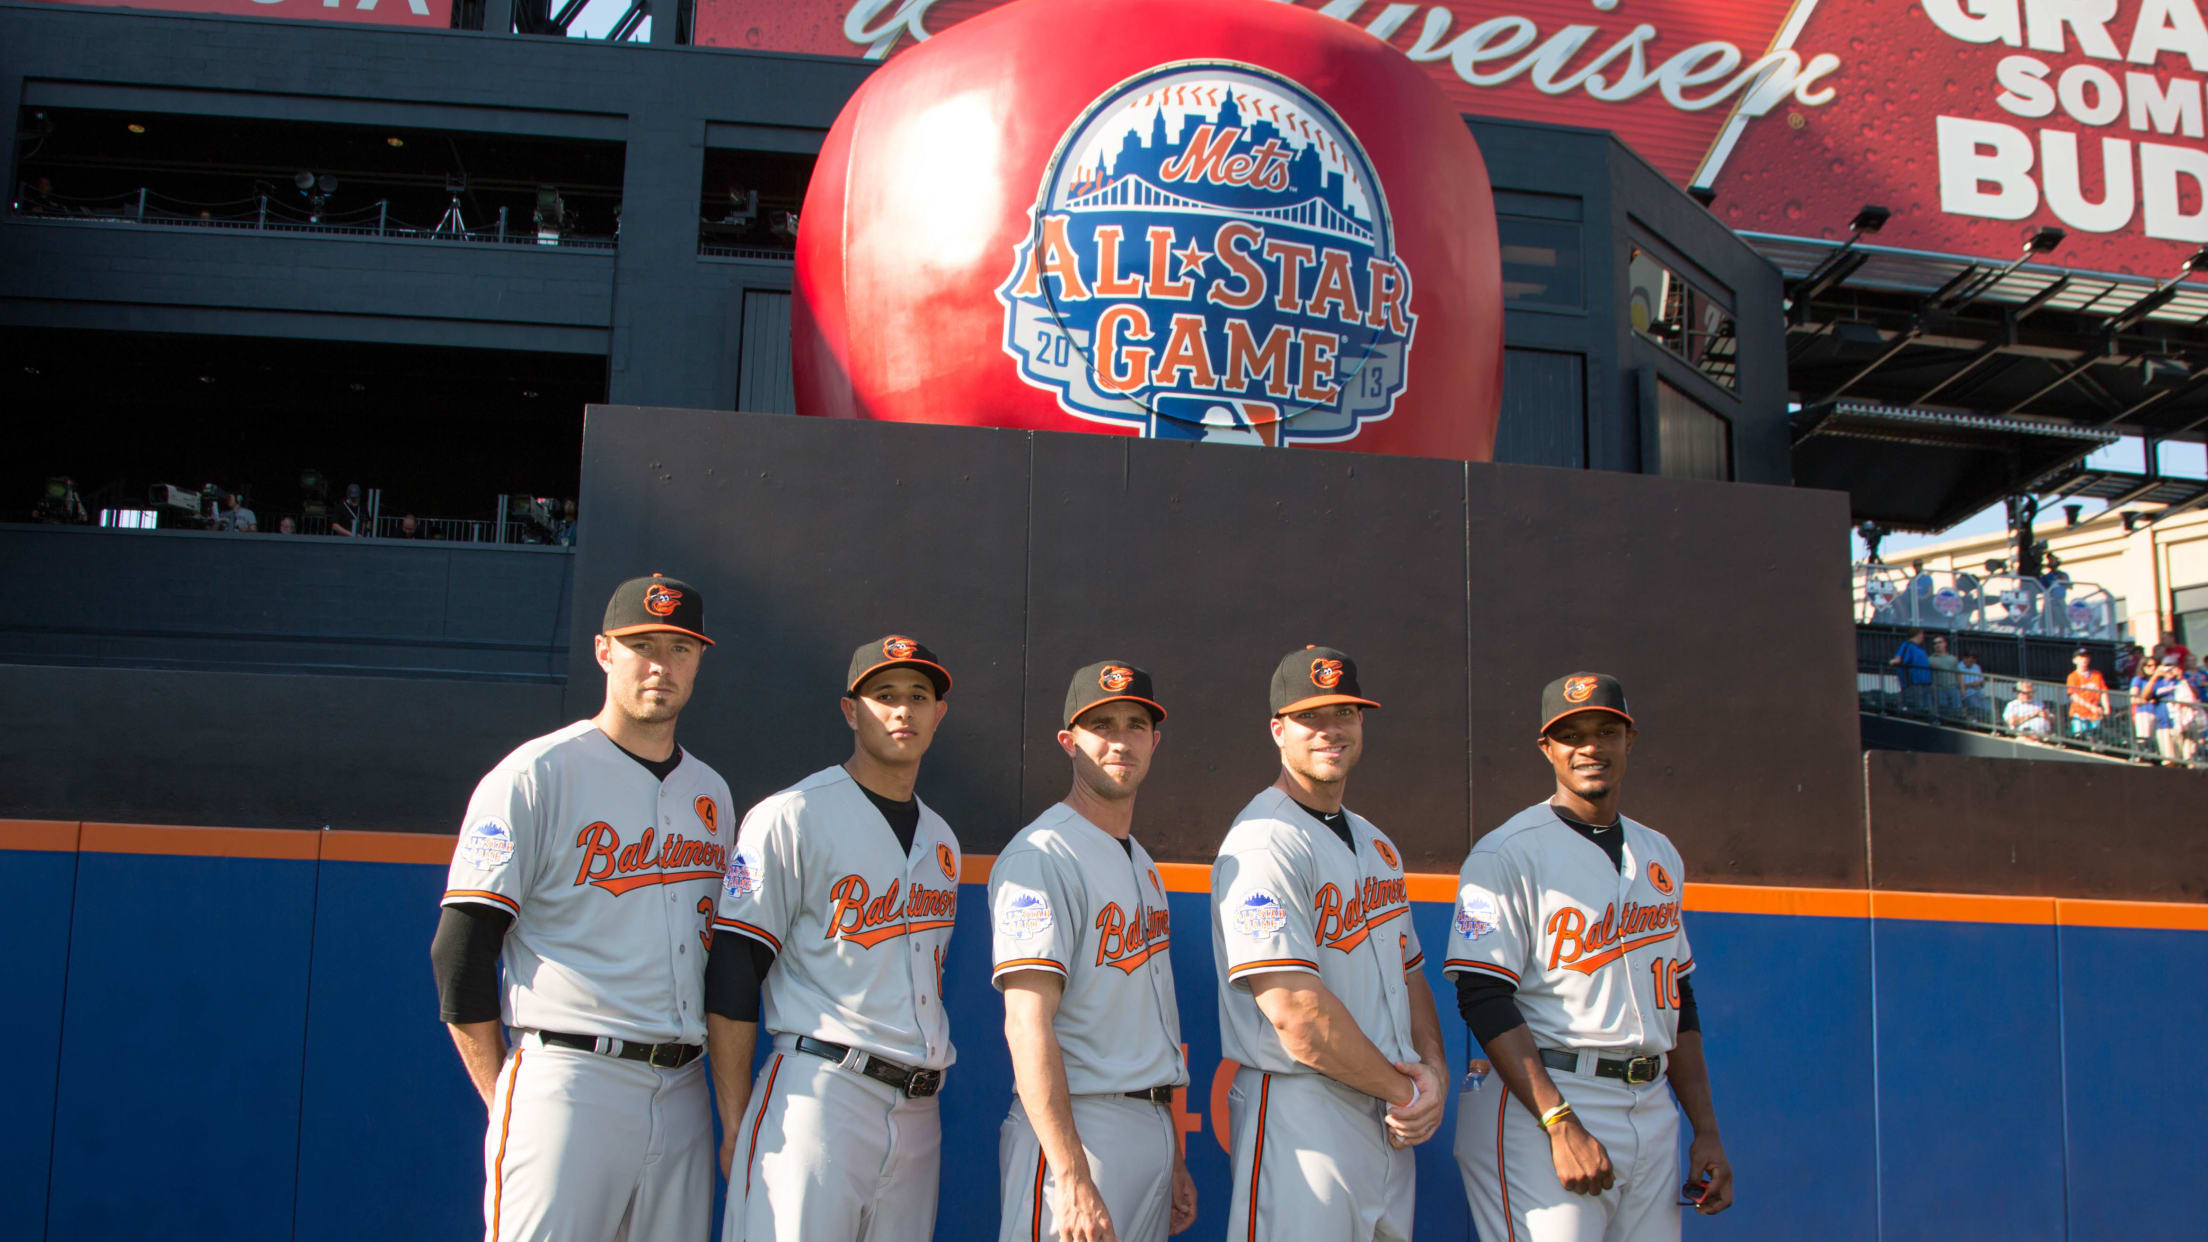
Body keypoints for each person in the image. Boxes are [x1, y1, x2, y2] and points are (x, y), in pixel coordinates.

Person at [431, 573, 728, 1242]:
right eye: (642, 645)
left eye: (681, 648)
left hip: (682, 1089)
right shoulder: (537, 774)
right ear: (604, 652)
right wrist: (503, 1088)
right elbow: (460, 950)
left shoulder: (712, 792)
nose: (661, 665)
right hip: (568, 1076)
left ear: (700, 660)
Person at [1449, 672, 1731, 1241]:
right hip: (1547, 1100)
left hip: (1651, 1105)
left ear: (1630, 741)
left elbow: (1678, 998)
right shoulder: (1507, 852)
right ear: (1547, 748)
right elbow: (1481, 994)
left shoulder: (1659, 853)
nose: (1590, 747)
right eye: (1572, 735)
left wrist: (1705, 1129)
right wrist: (1558, 1122)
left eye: (1606, 731)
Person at [708, 635, 960, 1242]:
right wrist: (737, 1122)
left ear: (938, 714)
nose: (902, 710)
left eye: (918, 697)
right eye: (883, 695)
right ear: (851, 710)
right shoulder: (792, 814)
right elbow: (734, 971)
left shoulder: (942, 839)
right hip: (820, 1096)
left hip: (920, 1109)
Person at [1209, 646, 1448, 1242]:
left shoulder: (1376, 843)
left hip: (1388, 1115)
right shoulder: (1265, 840)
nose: (1329, 730)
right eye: (1310, 717)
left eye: (1344, 712)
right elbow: (1295, 1015)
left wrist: (1435, 1074)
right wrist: (1406, 1091)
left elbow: (1410, 971)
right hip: (1304, 1111)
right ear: (1278, 730)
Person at [990, 661, 1196, 1242]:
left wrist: (1174, 1153)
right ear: (1069, 742)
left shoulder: (1144, 864)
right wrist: (1071, 1174)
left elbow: (1148, 1026)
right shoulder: (1042, 854)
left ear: (1154, 741)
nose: (1120, 740)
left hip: (1149, 1125)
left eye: (1135, 724)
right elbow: (1027, 1025)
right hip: (1079, 1130)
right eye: (1101, 725)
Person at [2064, 650, 2108, 742]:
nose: (2084, 659)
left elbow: (2103, 692)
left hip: (2094, 714)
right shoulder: (2072, 676)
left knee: (2095, 737)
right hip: (2079, 712)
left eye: (2086, 656)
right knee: (2080, 738)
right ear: (2075, 660)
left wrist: (2106, 708)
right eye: (2081, 657)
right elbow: (2074, 696)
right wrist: (2091, 707)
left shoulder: (2097, 675)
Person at [1888, 630, 1932, 715]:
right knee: (1916, 709)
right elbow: (1900, 658)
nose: (1923, 637)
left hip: (1925, 684)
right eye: (1922, 634)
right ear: (1918, 634)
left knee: (1925, 709)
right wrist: (1891, 662)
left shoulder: (1918, 648)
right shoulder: (1908, 645)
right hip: (1914, 684)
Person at [1928, 636, 1962, 718]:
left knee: (1957, 711)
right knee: (1943, 712)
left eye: (1939, 642)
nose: (1937, 645)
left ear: (1945, 644)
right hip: (1939, 689)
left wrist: (1962, 689)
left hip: (1953, 688)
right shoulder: (1930, 659)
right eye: (1935, 643)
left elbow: (1958, 674)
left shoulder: (1953, 658)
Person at [1958, 652, 1990, 722]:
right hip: (1968, 694)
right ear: (1965, 658)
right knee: (1976, 707)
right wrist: (1971, 684)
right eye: (1970, 661)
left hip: (1978, 692)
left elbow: (1982, 681)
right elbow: (1959, 685)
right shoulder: (1958, 668)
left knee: (1989, 707)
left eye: (1973, 662)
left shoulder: (1976, 667)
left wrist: (1980, 682)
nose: (1972, 663)